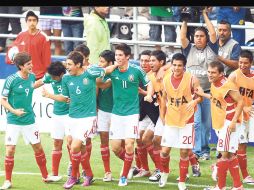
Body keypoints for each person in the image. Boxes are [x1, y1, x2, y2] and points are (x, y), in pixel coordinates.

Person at [42, 51, 118, 189]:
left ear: (78, 64)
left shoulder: (89, 73)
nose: (67, 67)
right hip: (72, 117)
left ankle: (73, 177)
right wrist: (49, 95)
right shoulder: (66, 79)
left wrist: (118, 63)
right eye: (67, 64)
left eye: (70, 64)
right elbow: (65, 98)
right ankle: (88, 174)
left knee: (75, 146)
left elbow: (107, 69)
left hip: (88, 118)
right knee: (77, 146)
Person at [0, 52, 61, 190]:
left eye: (31, 63)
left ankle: (46, 176)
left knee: (38, 147)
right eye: (28, 64)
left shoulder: (31, 76)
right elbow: (2, 99)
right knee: (10, 150)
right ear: (21, 66)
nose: (31, 65)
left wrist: (48, 78)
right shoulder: (11, 80)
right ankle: (8, 181)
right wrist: (14, 111)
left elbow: (33, 85)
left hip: (29, 120)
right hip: (13, 121)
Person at [107, 43, 153, 186]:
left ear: (128, 57)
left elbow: (149, 83)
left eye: (121, 55)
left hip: (132, 113)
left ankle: (124, 176)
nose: (118, 57)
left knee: (129, 144)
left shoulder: (136, 70)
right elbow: (101, 77)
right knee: (115, 148)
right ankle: (131, 163)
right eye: (116, 55)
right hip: (116, 114)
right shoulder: (113, 71)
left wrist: (149, 94)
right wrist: (113, 67)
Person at [196, 61, 244, 190]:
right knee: (230, 155)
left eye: (213, 73)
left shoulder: (227, 85)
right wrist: (202, 94)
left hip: (229, 122)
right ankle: (238, 186)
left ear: (221, 74)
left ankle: (220, 186)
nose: (210, 75)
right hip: (220, 123)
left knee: (223, 154)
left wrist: (234, 121)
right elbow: (215, 98)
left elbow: (240, 102)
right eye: (209, 72)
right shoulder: (214, 83)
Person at [158, 53, 202, 190]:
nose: (176, 68)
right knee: (164, 152)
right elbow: (163, 100)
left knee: (184, 152)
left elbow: (200, 95)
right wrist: (162, 116)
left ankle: (182, 182)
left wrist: (195, 100)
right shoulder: (165, 80)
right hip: (171, 120)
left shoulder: (192, 79)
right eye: (174, 65)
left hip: (187, 120)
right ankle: (165, 172)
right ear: (171, 65)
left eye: (179, 65)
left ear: (184, 66)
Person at [180, 7, 219, 160]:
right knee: (196, 123)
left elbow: (214, 33)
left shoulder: (212, 49)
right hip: (193, 93)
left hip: (209, 92)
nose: (198, 38)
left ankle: (205, 151)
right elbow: (183, 36)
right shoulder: (188, 48)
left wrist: (204, 14)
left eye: (201, 36)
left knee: (206, 125)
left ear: (206, 38)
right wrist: (185, 20)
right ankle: (196, 151)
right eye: (196, 36)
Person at [35, 61, 70, 182]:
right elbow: (39, 82)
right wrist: (27, 88)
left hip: (70, 115)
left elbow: (66, 99)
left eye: (55, 77)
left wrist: (49, 95)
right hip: (57, 114)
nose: (53, 79)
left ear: (61, 74)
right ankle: (54, 174)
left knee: (71, 144)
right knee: (57, 143)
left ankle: (74, 173)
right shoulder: (51, 75)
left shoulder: (68, 78)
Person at [228, 50, 254, 185]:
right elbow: (229, 95)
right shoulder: (233, 76)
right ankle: (245, 175)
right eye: (240, 62)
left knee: (240, 145)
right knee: (236, 146)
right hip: (234, 115)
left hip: (247, 116)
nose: (242, 65)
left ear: (251, 63)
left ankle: (219, 167)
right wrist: (243, 107)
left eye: (245, 63)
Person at [6, 11, 51, 80]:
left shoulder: (44, 37)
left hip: (38, 76)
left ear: (37, 22)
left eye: (34, 20)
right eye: (29, 20)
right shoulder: (21, 35)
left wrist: (47, 74)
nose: (32, 22)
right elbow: (13, 49)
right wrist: (11, 60)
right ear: (26, 22)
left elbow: (47, 59)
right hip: (24, 75)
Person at [96, 50, 115, 182]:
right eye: (99, 61)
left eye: (102, 61)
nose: (99, 64)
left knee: (121, 145)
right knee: (104, 142)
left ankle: (131, 166)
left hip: (117, 113)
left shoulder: (116, 74)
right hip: (103, 111)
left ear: (110, 63)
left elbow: (102, 84)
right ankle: (107, 171)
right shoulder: (99, 73)